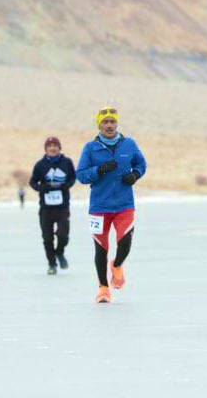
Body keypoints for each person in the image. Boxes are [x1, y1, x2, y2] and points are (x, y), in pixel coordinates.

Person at [77, 106, 147, 303]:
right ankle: (103, 288)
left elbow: (142, 164)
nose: (109, 125)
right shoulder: (90, 148)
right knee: (101, 248)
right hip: (99, 207)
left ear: (117, 123)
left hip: (124, 204)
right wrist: (99, 170)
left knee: (125, 242)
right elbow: (81, 175)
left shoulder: (129, 144)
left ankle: (116, 265)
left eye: (112, 121)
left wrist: (135, 175)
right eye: (105, 122)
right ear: (99, 125)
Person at [29, 136, 76, 275]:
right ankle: (52, 264)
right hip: (46, 207)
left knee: (63, 235)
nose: (52, 148)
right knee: (47, 238)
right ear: (46, 149)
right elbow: (33, 182)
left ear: (59, 148)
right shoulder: (40, 165)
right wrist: (42, 188)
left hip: (62, 206)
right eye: (49, 146)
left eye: (55, 145)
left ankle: (60, 252)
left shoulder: (67, 162)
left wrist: (66, 186)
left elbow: (73, 177)